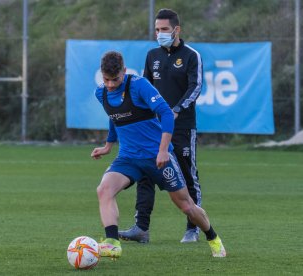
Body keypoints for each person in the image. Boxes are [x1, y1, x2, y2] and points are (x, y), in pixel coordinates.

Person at [91, 51, 225, 259]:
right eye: (106, 79)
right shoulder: (101, 93)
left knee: (186, 205)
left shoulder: (139, 85)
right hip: (128, 158)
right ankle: (112, 242)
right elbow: (113, 118)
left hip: (157, 157)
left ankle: (213, 237)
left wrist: (163, 150)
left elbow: (165, 114)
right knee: (104, 189)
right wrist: (108, 146)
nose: (109, 84)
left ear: (124, 72)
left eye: (114, 79)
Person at [119, 8, 204, 243]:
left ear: (177, 29)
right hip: (154, 129)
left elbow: (195, 87)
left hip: (183, 127)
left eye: (164, 29)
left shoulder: (191, 55)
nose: (159, 33)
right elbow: (145, 90)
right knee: (146, 174)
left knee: (188, 176)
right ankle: (141, 228)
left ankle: (193, 228)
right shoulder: (152, 55)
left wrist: (176, 110)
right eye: (157, 29)